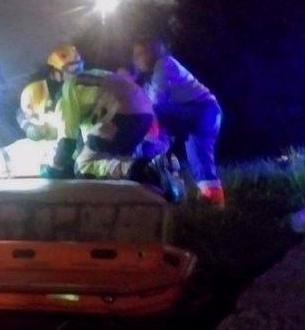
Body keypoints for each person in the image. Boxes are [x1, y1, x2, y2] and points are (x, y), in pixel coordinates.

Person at [43, 68, 184, 203]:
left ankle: (150, 168)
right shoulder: (83, 87)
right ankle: (165, 166)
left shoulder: (65, 98)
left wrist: (54, 169)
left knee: (84, 166)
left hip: (119, 110)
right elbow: (92, 144)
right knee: (116, 163)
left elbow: (66, 142)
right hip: (144, 111)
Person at [132, 37, 224, 207]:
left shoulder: (164, 64)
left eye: (140, 53)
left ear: (153, 51)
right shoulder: (155, 73)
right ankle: (214, 209)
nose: (136, 58)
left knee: (151, 115)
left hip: (200, 111)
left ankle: (148, 159)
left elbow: (155, 105)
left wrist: (147, 144)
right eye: (134, 55)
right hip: (207, 115)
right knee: (202, 166)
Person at [17, 43, 82, 141]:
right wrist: (30, 127)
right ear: (56, 71)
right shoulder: (39, 88)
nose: (78, 74)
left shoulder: (81, 85)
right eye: (72, 69)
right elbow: (22, 113)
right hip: (53, 139)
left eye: (80, 67)